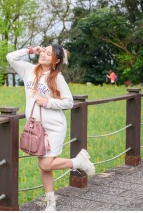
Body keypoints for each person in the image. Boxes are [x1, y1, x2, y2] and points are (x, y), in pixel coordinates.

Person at [8, 45, 95, 211]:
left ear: (56, 61)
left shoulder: (57, 78)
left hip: (54, 127)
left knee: (46, 164)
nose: (44, 56)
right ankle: (51, 203)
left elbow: (69, 101)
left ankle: (78, 161)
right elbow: (10, 57)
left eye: (49, 54)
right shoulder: (29, 70)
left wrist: (48, 102)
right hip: (37, 129)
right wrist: (31, 50)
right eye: (44, 52)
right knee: (43, 165)